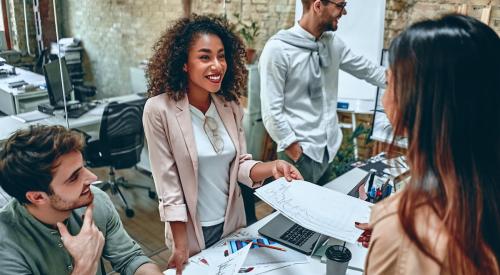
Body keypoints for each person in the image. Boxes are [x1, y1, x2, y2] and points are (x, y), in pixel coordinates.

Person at [143, 14, 302, 274]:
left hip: (233, 223)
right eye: (205, 57)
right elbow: (168, 185)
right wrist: (181, 246)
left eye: (221, 56)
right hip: (191, 231)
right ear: (184, 63)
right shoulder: (159, 110)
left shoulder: (230, 106)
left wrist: (273, 167)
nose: (217, 65)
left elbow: (240, 164)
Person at [363, 15, 499, 274]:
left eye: (390, 83)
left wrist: (394, 237)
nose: (384, 98)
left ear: (419, 103)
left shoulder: (406, 230)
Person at [0, 125, 163, 275]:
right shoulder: (5, 244)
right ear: (37, 197)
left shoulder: (96, 200)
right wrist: (85, 265)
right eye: (73, 177)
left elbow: (131, 259)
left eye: (83, 167)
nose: (93, 177)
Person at [259, 0, 386, 185]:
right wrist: (295, 151)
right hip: (300, 154)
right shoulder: (278, 50)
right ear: (318, 6)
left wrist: (408, 81)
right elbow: (271, 111)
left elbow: (368, 70)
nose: (344, 12)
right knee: (291, 212)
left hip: (328, 150)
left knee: (319, 210)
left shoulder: (333, 44)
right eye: (340, 6)